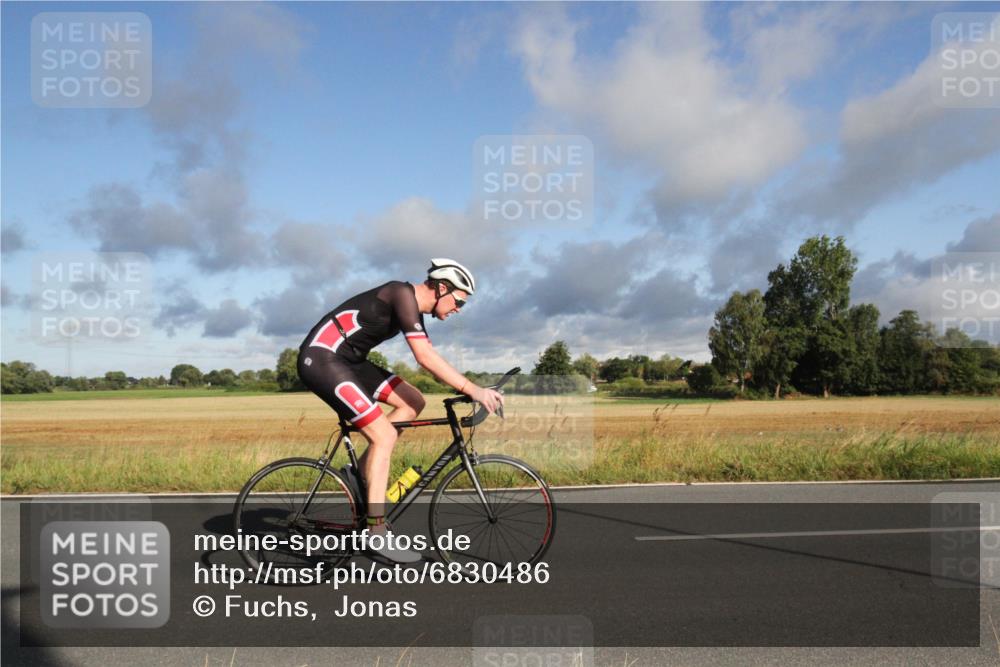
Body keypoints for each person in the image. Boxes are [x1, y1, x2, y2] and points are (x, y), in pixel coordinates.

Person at [296, 259, 503, 563]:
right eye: (459, 301)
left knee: (413, 401)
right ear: (442, 287)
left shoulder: (413, 309)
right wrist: (473, 390)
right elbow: (424, 356)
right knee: (383, 436)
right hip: (323, 358)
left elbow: (430, 355)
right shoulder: (400, 293)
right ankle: (375, 532)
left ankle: (361, 473)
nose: (459, 308)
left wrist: (473, 389)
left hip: (349, 362)